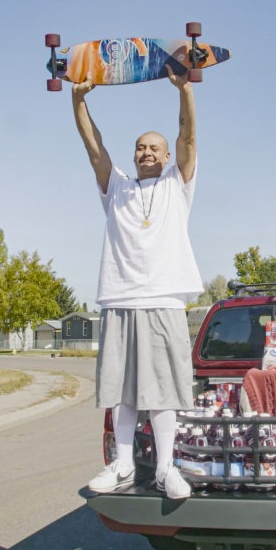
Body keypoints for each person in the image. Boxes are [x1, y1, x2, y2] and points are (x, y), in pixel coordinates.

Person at [73, 65, 203, 500]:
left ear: (166, 158)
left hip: (165, 298)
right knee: (123, 390)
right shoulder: (117, 188)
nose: (147, 152)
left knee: (162, 389)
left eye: (154, 148)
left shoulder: (177, 185)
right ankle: (124, 463)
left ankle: (166, 468)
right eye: (140, 148)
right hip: (120, 297)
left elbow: (187, 138)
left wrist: (184, 91)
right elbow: (95, 149)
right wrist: (78, 100)